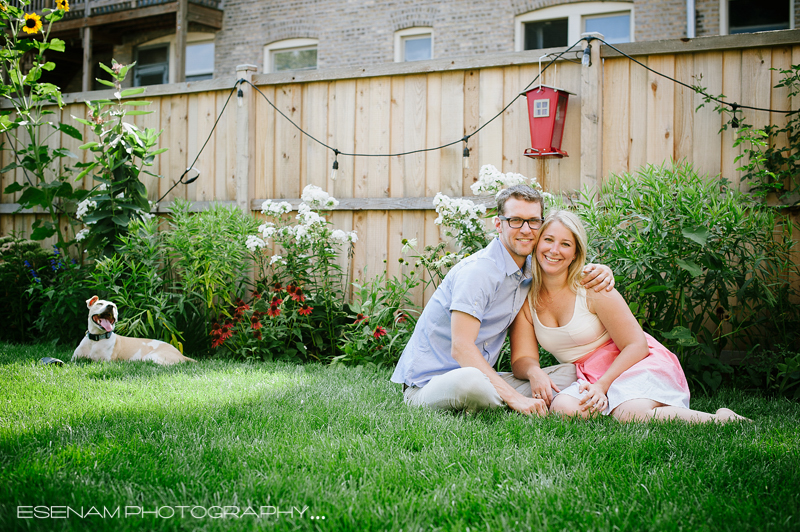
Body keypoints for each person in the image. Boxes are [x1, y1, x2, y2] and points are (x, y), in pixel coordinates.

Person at [390, 185, 615, 414]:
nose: (526, 229)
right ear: (498, 224)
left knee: (569, 373)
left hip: (484, 376)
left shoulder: (528, 270)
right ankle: (509, 401)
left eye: (533, 221)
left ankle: (540, 397)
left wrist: (601, 271)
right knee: (472, 382)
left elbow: (562, 266)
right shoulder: (478, 272)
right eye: (515, 220)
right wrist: (516, 398)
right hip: (432, 383)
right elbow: (461, 348)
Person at [509, 210, 749, 423]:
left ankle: (722, 420)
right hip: (589, 374)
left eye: (565, 244)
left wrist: (602, 386)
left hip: (633, 363)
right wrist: (534, 372)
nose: (554, 250)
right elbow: (522, 358)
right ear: (536, 244)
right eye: (548, 240)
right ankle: (615, 404)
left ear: (575, 254)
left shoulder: (592, 285)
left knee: (631, 413)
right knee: (563, 408)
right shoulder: (527, 299)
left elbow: (637, 345)